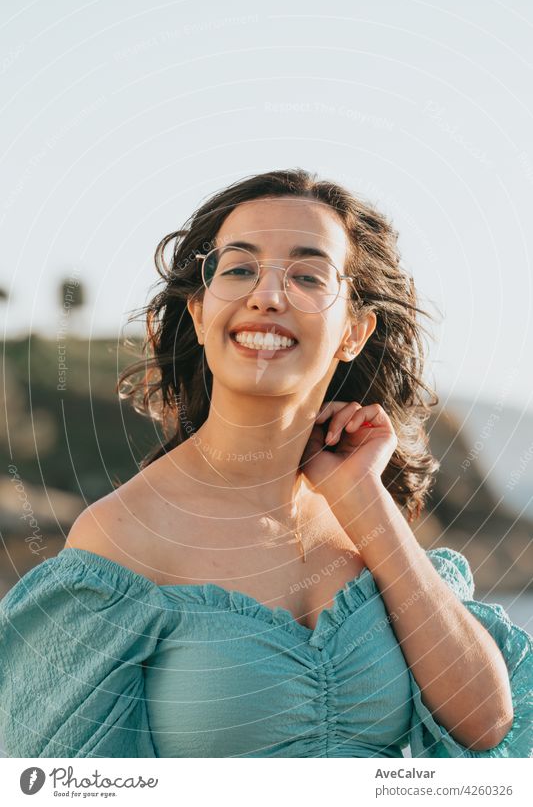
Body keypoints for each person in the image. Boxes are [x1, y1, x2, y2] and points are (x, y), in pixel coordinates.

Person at [0, 168, 531, 758]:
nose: (268, 296)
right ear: (201, 314)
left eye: (307, 275)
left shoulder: (363, 518)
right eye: (239, 269)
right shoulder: (122, 537)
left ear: (354, 331)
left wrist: (364, 497)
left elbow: (484, 722)